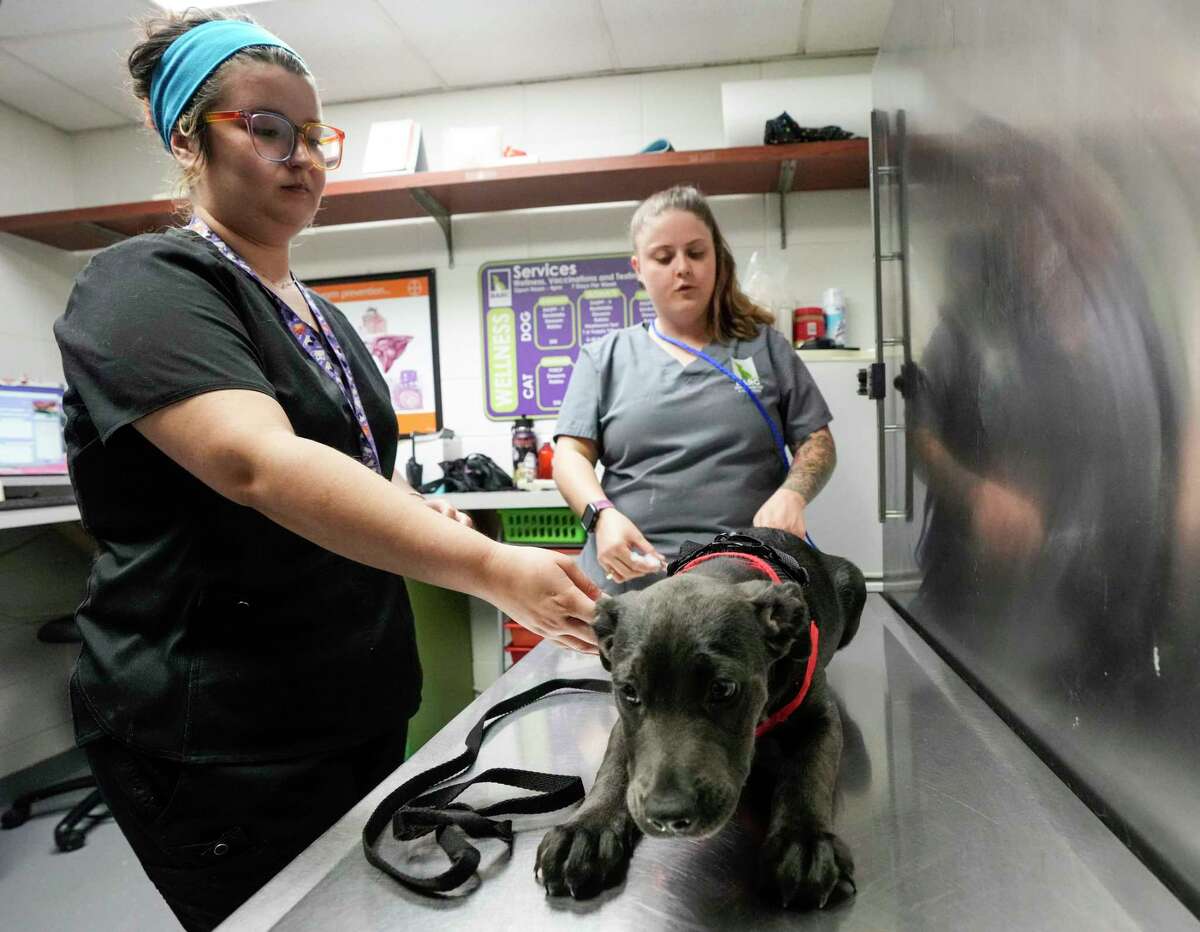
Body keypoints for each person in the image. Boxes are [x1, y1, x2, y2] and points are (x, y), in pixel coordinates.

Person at [52, 11, 596, 931]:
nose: (301, 155)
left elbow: (346, 468)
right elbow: (256, 463)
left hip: (352, 701)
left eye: (313, 135)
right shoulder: (142, 284)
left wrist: (422, 512)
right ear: (190, 139)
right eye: (267, 129)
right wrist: (499, 569)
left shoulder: (320, 316)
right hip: (222, 736)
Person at [553, 185, 836, 592]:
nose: (682, 268)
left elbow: (817, 441)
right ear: (638, 267)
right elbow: (570, 455)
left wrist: (793, 493)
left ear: (717, 260)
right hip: (632, 581)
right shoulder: (605, 357)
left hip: (747, 582)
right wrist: (600, 516)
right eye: (663, 257)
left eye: (696, 253)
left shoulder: (765, 347)